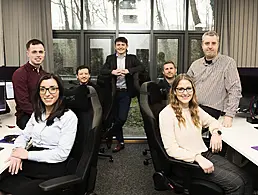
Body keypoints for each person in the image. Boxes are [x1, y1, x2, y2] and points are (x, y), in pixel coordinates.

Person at [159, 73, 252, 195]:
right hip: (187, 163)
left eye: (188, 88)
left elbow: (212, 121)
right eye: (181, 89)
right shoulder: (166, 114)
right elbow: (171, 149)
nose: (185, 92)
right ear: (174, 92)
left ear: (193, 90)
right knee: (236, 184)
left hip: (204, 153)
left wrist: (215, 133)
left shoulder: (194, 108)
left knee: (246, 178)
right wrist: (197, 158)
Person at [0, 74, 78, 195]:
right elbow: (24, 135)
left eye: (52, 88)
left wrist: (27, 154)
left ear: (60, 91)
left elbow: (61, 154)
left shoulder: (68, 117)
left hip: (53, 165)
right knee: (4, 178)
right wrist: (17, 151)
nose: (47, 93)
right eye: (43, 89)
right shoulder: (38, 113)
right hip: (34, 161)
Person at [187, 30, 242, 127]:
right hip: (193, 107)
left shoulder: (228, 63)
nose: (210, 46)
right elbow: (186, 85)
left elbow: (235, 90)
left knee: (185, 128)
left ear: (218, 45)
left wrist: (229, 116)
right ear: (202, 45)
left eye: (213, 43)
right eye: (207, 43)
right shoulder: (195, 65)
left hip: (213, 110)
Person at [100, 36, 143, 153]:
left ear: (127, 46)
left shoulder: (132, 58)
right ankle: (120, 142)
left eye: (123, 45)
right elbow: (102, 71)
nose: (120, 47)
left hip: (126, 92)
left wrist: (128, 71)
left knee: (122, 118)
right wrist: (112, 71)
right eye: (118, 45)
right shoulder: (110, 59)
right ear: (115, 47)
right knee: (114, 117)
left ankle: (109, 133)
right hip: (113, 92)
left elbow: (141, 67)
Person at [12, 39, 47, 130]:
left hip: (44, 114)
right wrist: (43, 117)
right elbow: (23, 103)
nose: (38, 55)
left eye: (40, 52)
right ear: (28, 54)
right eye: (34, 52)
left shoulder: (45, 75)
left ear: (44, 53)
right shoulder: (20, 74)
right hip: (26, 117)